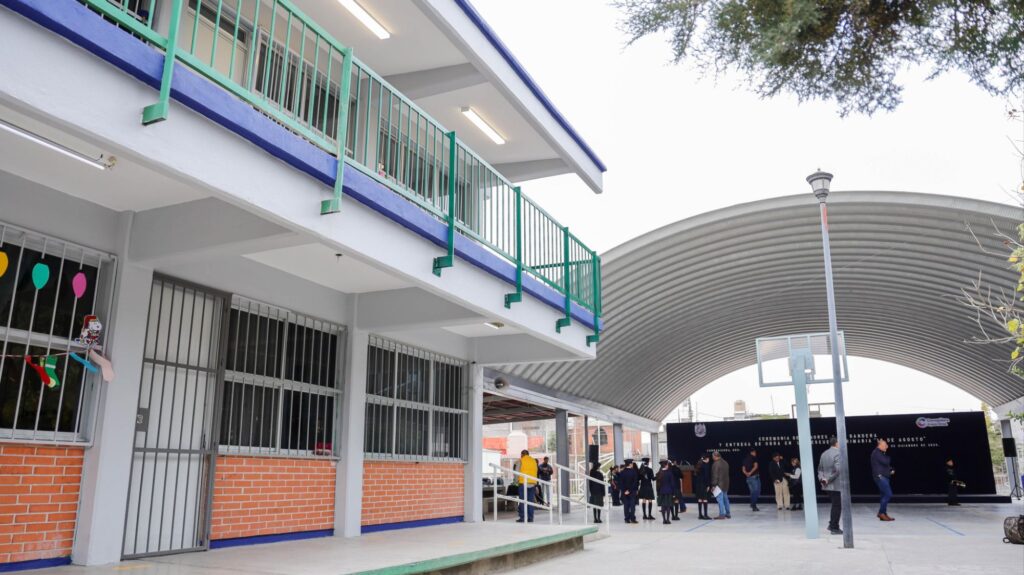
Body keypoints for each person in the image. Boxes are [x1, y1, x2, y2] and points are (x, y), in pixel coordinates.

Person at [818, 437, 843, 535]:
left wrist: (822, 479)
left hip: (826, 485)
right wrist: (828, 479)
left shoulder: (824, 453)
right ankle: (834, 527)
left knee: (835, 505)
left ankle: (831, 524)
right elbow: (837, 470)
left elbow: (820, 469)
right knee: (837, 506)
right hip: (835, 484)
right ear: (836, 443)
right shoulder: (838, 453)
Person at [871, 438, 895, 521]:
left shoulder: (880, 453)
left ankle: (883, 513)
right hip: (880, 477)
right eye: (885, 445)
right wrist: (887, 458)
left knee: (884, 495)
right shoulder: (877, 453)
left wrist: (891, 469)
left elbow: (884, 465)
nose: (887, 447)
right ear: (880, 446)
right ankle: (881, 513)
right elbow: (886, 461)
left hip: (884, 476)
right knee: (888, 494)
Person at [517, 449, 538, 523]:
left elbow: (516, 472)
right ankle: (530, 518)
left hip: (523, 482)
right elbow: (536, 471)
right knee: (530, 501)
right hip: (532, 483)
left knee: (522, 501)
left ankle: (523, 517)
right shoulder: (534, 461)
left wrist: (516, 481)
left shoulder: (521, 460)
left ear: (522, 454)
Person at [710, 451, 731, 519]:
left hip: (719, 484)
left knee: (720, 499)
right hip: (726, 484)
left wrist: (713, 485)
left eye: (713, 456)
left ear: (715, 456)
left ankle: (722, 514)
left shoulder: (716, 464)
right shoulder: (725, 462)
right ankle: (728, 513)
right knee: (725, 499)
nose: (712, 458)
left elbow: (715, 476)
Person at [619, 460, 640, 524]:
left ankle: (627, 519)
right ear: (630, 464)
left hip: (624, 492)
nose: (632, 464)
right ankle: (632, 519)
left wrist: (625, 490)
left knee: (626, 505)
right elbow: (635, 482)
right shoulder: (634, 472)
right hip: (632, 491)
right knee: (632, 505)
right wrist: (629, 490)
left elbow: (621, 483)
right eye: (632, 463)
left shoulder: (622, 472)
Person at [655, 460, 676, 524]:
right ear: (666, 465)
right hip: (669, 491)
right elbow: (672, 484)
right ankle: (668, 520)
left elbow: (657, 484)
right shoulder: (669, 473)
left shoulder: (659, 473)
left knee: (663, 506)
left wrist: (658, 492)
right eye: (667, 464)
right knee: (668, 505)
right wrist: (673, 492)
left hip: (661, 491)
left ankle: (664, 520)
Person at [742, 447, 761, 511]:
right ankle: (754, 505)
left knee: (752, 492)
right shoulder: (754, 457)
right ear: (752, 452)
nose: (756, 453)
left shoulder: (745, 459)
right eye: (755, 452)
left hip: (748, 478)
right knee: (756, 492)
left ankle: (752, 504)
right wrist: (750, 473)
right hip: (754, 477)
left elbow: (743, 469)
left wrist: (746, 473)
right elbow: (756, 466)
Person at [694, 454, 712, 520]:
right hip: (704, 484)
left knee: (699, 499)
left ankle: (700, 515)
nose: (709, 460)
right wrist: (708, 485)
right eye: (708, 458)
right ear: (706, 459)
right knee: (705, 499)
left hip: (698, 485)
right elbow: (706, 477)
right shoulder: (706, 465)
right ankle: (705, 515)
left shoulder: (698, 464)